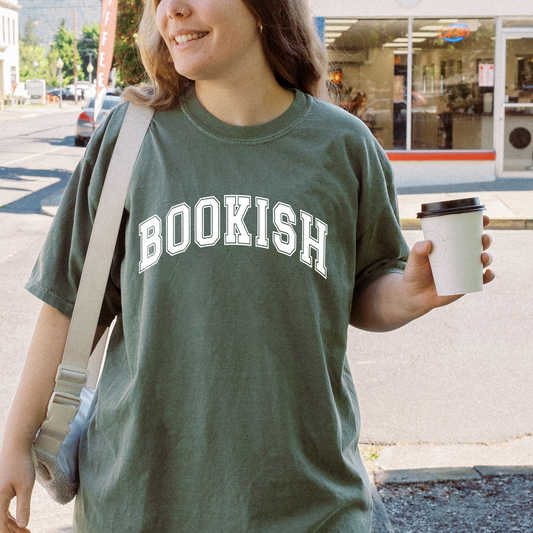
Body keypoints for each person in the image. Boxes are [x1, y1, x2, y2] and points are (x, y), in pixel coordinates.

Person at [0, 1, 495, 532]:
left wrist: (409, 293)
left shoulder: (343, 146)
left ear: (264, 9)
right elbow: (69, 303)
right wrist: (14, 441)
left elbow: (365, 291)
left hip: (312, 505)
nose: (173, 10)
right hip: (140, 502)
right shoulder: (130, 137)